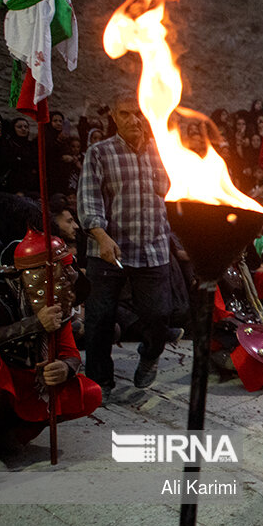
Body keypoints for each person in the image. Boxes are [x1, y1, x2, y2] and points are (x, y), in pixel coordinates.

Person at [77, 97, 171, 396]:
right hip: (108, 250)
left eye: (139, 114)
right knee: (100, 320)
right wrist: (102, 237)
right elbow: (89, 200)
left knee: (159, 315)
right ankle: (99, 383)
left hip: (153, 247)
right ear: (114, 117)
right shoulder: (99, 153)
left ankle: (150, 353)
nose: (134, 120)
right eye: (125, 114)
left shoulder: (164, 151)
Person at [0, 231, 102, 457]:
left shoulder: (59, 301)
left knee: (89, 392)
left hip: (28, 379)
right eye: (58, 269)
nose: (67, 276)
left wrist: (65, 368)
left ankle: (12, 436)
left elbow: (70, 352)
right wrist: (34, 324)